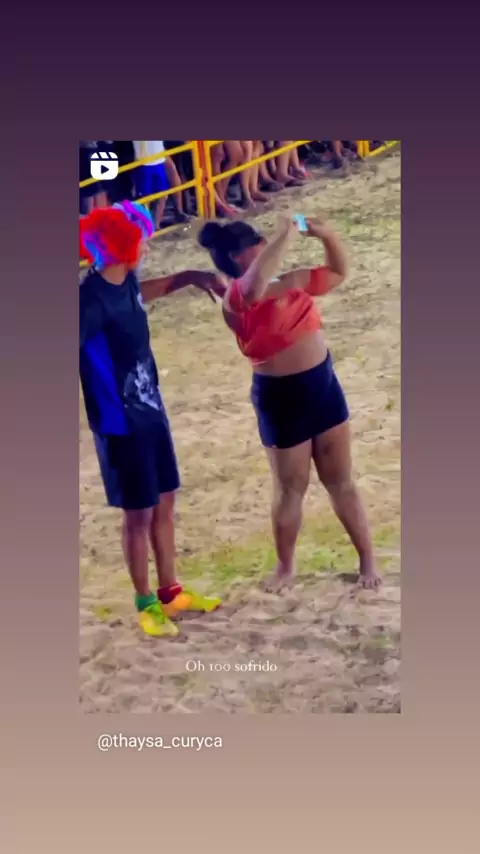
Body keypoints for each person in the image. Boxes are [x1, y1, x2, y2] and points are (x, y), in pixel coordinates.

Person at [197, 215, 381, 591]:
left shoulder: (289, 282)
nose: (266, 246)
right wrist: (286, 234)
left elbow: (337, 273)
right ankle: (285, 567)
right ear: (238, 256)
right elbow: (254, 287)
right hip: (281, 398)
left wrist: (327, 235)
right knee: (291, 488)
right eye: (259, 244)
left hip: (322, 385)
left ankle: (367, 559)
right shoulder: (235, 298)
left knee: (341, 481)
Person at [79, 201, 224, 637]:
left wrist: (187, 278)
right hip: (119, 423)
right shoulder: (87, 301)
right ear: (126, 246)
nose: (145, 247)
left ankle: (170, 592)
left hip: (150, 411)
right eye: (140, 240)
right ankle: (146, 604)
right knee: (138, 515)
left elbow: (141, 295)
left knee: (165, 502)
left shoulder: (124, 281)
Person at [133, 141, 188, 228]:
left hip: (159, 157)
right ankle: (145, 226)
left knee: (163, 193)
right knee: (145, 197)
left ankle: (156, 225)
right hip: (144, 161)